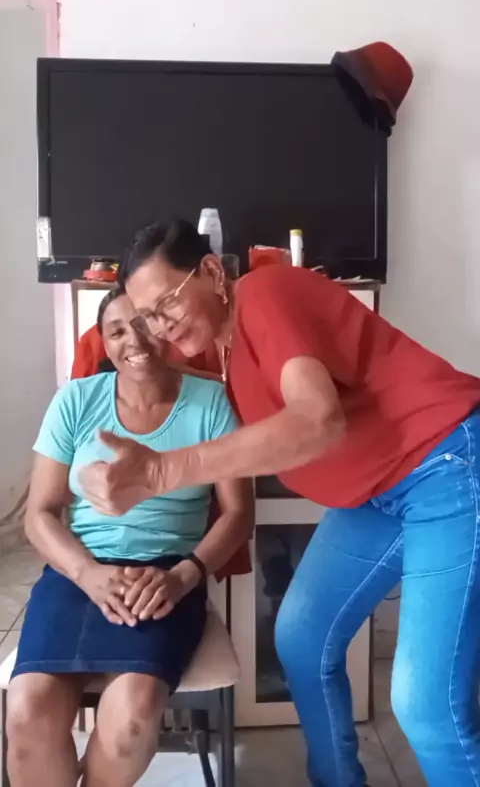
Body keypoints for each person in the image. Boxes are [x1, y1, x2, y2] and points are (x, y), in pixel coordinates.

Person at [79, 219, 480, 787]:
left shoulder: (266, 294)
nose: (161, 325)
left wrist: (163, 471)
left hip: (447, 464)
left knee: (426, 706)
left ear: (212, 271)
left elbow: (317, 421)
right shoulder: (224, 350)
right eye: (148, 316)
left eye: (167, 303)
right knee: (302, 638)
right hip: (378, 496)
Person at [7, 286, 254, 787]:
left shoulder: (210, 403)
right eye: (117, 331)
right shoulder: (76, 400)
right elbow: (40, 515)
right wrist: (89, 575)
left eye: (143, 323)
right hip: (78, 572)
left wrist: (184, 577)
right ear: (103, 341)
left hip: (164, 581)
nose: (134, 341)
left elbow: (238, 514)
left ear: (164, 328)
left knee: (132, 721)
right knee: (28, 714)